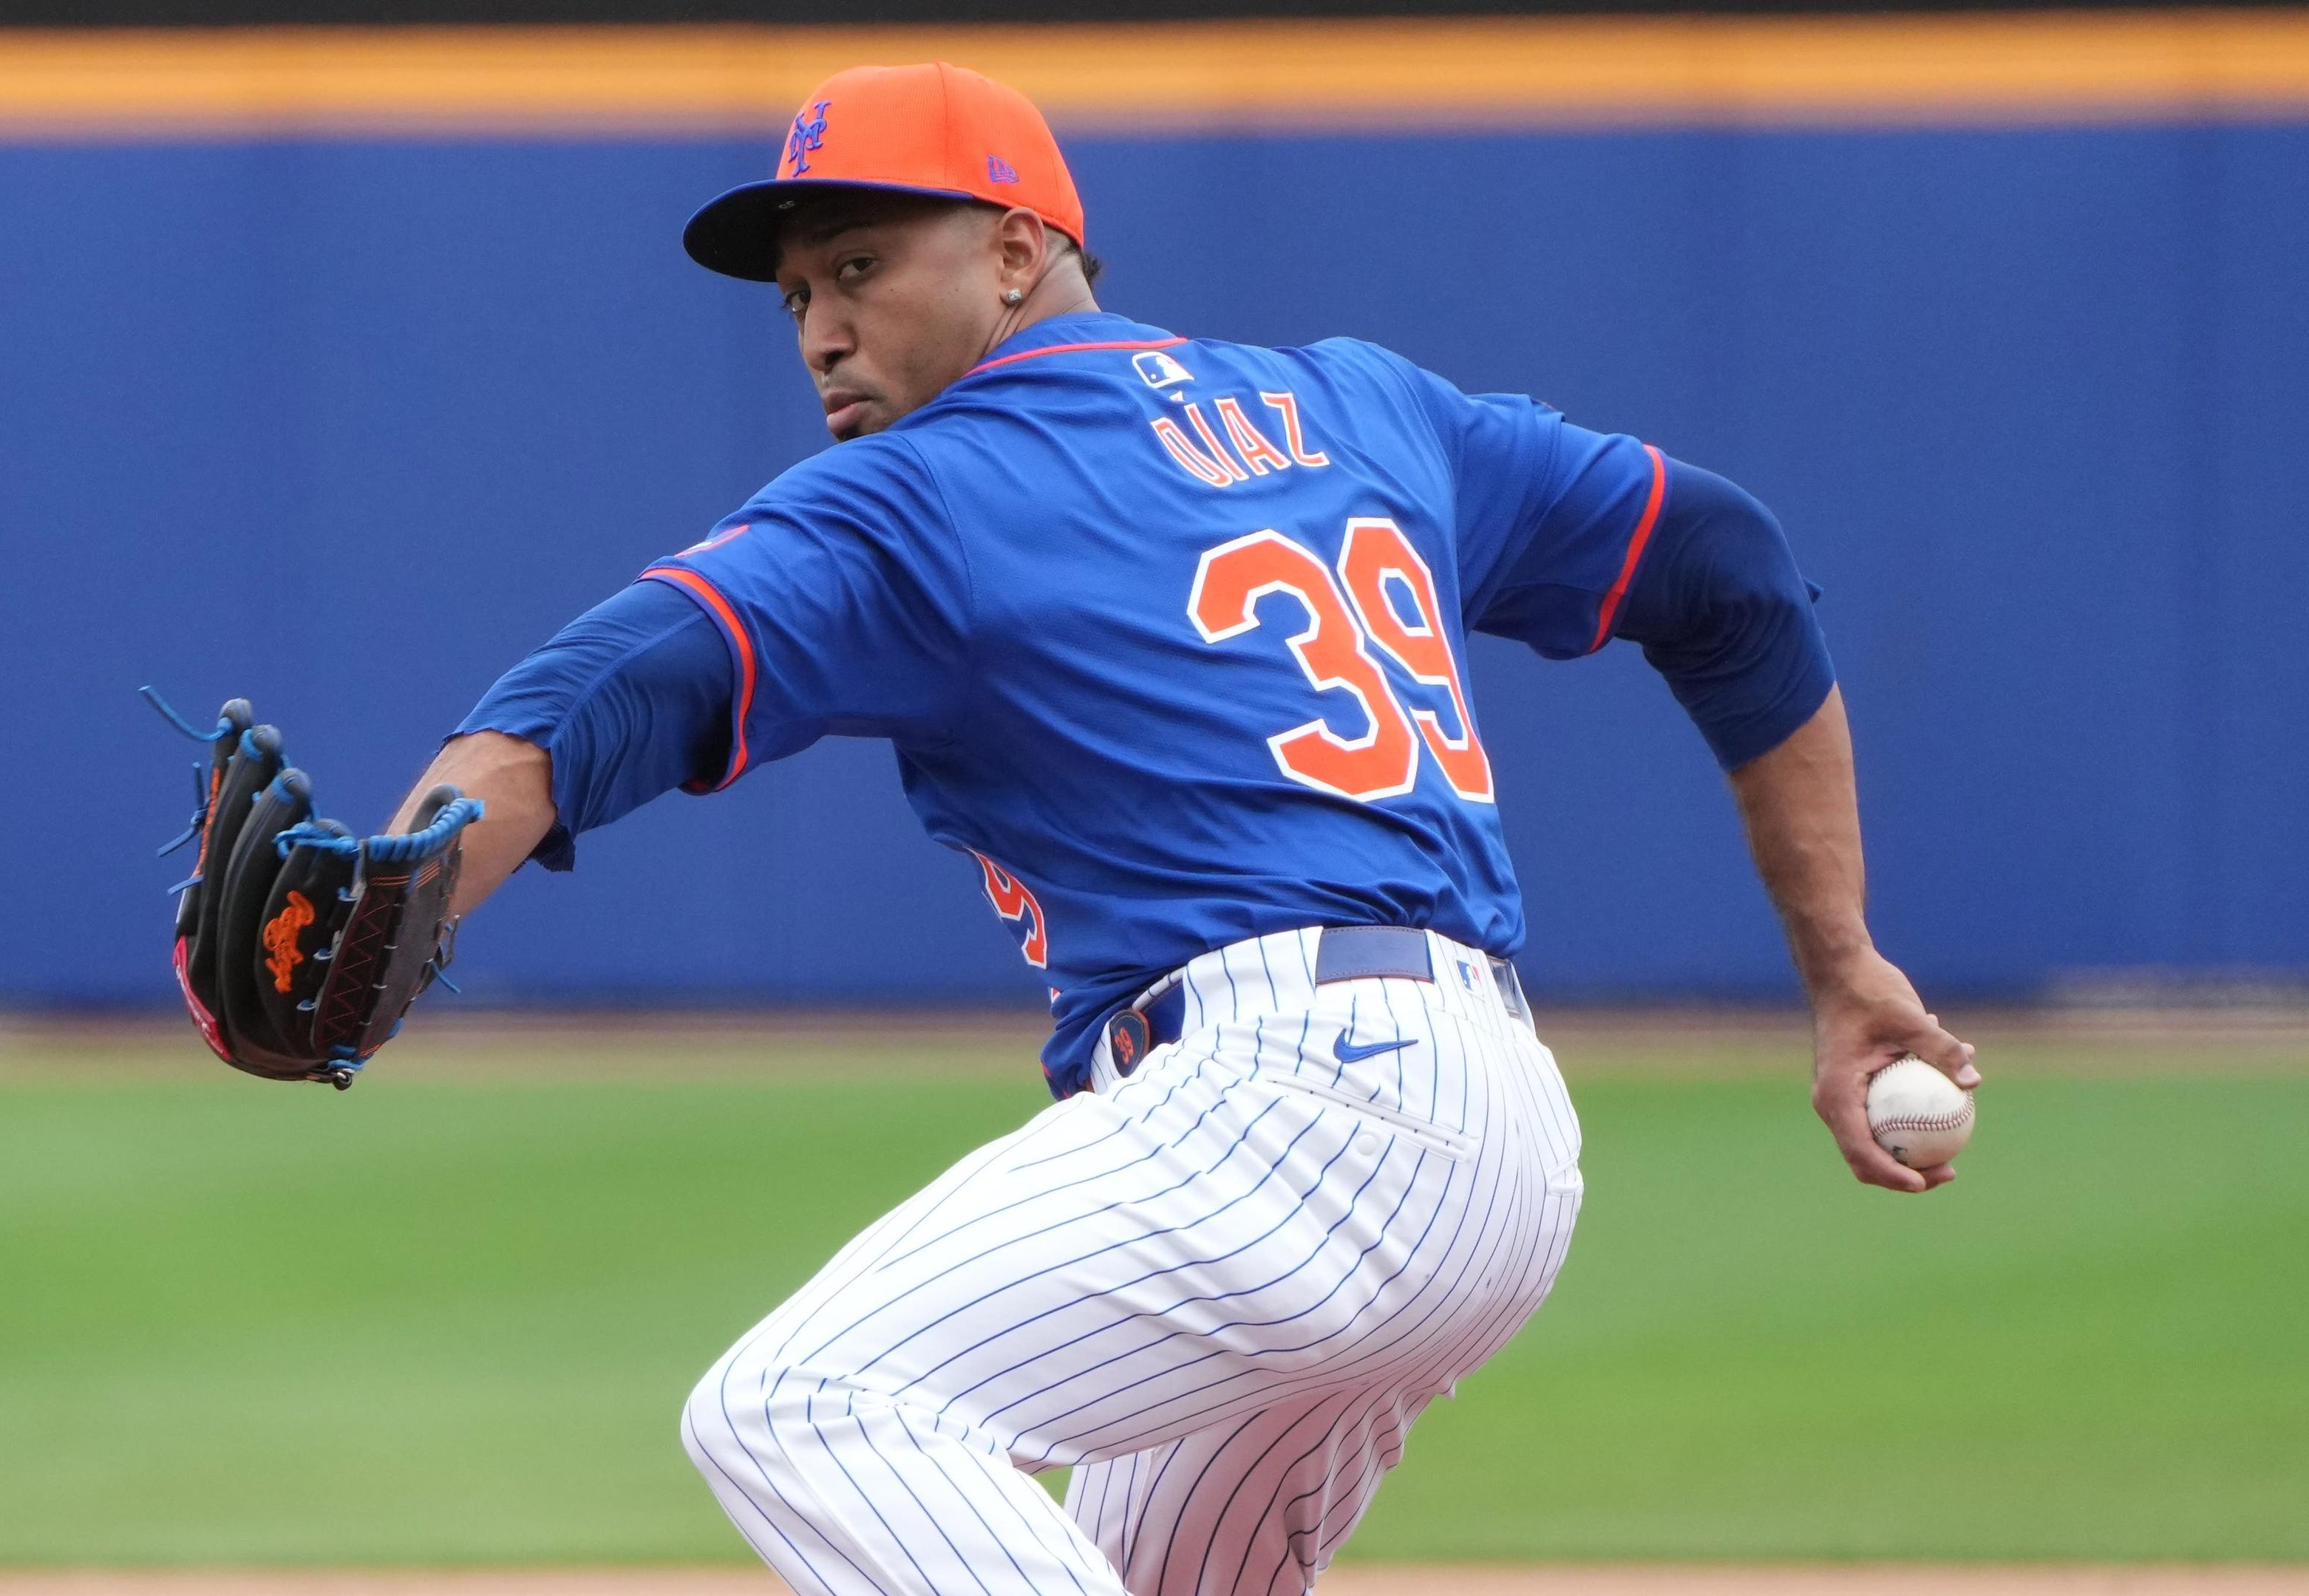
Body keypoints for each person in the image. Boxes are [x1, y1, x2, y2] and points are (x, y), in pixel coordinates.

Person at [387, 61, 1980, 1596]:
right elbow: (1728, 567)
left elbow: (584, 702)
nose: (821, 329)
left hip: (1291, 1112)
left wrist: (391, 897)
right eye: (797, 292)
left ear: (1020, 247)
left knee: (809, 1405)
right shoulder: (1355, 408)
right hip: (1482, 1132)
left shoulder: (920, 492)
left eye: (862, 264)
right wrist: (1843, 965)